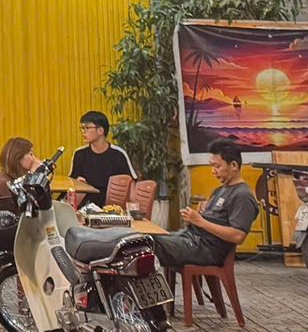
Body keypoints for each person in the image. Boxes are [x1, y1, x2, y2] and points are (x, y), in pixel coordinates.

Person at [153, 137, 257, 272]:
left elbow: (238, 236)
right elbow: (210, 221)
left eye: (217, 166)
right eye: (212, 166)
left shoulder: (243, 195)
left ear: (234, 166)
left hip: (206, 249)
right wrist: (196, 217)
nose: (213, 171)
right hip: (191, 239)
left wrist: (200, 221)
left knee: (147, 244)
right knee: (140, 239)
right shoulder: (219, 190)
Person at [68, 110, 135, 205]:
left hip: (113, 206)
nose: (83, 132)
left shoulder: (119, 154)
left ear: (100, 131)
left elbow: (131, 183)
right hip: (86, 206)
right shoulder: (79, 154)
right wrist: (78, 184)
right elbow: (72, 184)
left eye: (87, 128)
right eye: (82, 128)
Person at [0, 135, 39, 235]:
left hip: (0, 229)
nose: (34, 159)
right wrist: (33, 174)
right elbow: (25, 207)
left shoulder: (7, 177)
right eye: (31, 154)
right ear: (18, 158)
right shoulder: (4, 183)